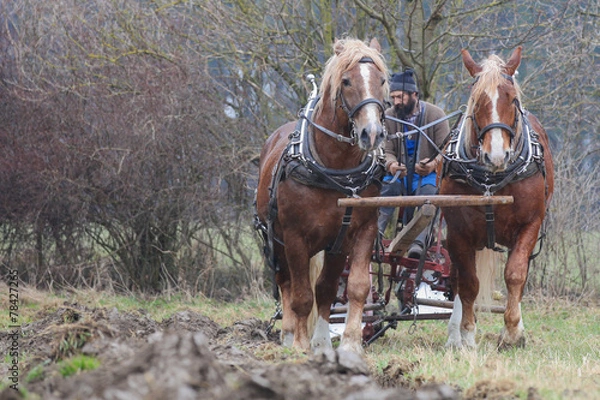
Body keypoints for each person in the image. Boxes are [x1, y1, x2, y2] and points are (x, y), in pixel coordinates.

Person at [378, 69, 450, 258]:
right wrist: (392, 164)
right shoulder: (389, 116)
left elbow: (446, 149)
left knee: (430, 196)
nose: (396, 102)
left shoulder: (436, 115)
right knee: (387, 188)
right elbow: (386, 150)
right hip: (398, 174)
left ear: (414, 95)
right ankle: (375, 235)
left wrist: (433, 164)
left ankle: (418, 242)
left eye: (400, 97)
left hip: (426, 175)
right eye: (393, 97)